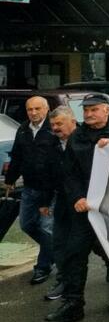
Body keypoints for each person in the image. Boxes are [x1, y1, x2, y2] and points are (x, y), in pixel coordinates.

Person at [45, 95, 109, 322]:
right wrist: (77, 197)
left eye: (93, 109)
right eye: (85, 110)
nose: (89, 114)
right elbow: (69, 173)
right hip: (87, 207)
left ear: (106, 110)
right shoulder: (78, 137)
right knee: (74, 253)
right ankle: (74, 304)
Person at [3, 95, 60, 286]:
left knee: (46, 226)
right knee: (26, 225)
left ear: (46, 109)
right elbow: (17, 156)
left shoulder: (54, 129)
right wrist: (10, 180)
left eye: (37, 109)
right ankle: (54, 250)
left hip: (51, 190)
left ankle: (43, 266)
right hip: (29, 187)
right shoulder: (23, 129)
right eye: (30, 109)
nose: (33, 113)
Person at [44, 106, 77, 302]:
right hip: (63, 202)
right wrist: (45, 200)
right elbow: (47, 174)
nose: (55, 128)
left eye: (59, 124)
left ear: (72, 122)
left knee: (94, 244)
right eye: (53, 124)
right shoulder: (51, 144)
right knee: (60, 242)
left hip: (84, 201)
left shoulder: (85, 141)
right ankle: (64, 281)